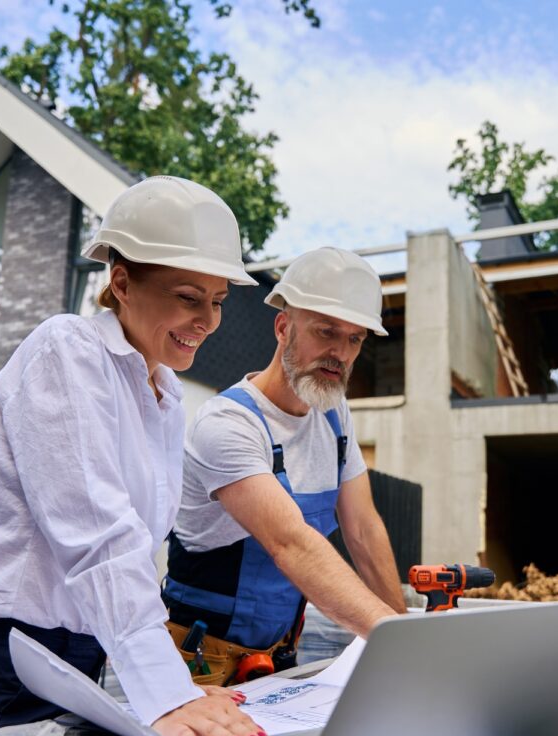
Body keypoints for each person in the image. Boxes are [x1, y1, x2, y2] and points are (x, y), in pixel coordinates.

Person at [0, 176, 267, 736]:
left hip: (80, 670)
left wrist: (170, 682)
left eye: (217, 300)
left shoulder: (163, 394)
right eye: (188, 296)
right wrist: (163, 688)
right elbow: (97, 534)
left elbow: (136, 554)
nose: (206, 320)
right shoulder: (66, 351)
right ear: (122, 283)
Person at [162, 247, 406, 685]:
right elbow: (291, 544)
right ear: (282, 328)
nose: (340, 353)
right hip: (199, 668)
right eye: (326, 332)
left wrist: (406, 634)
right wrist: (397, 639)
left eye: (354, 339)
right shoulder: (228, 423)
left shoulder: (334, 417)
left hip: (279, 663)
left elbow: (364, 528)